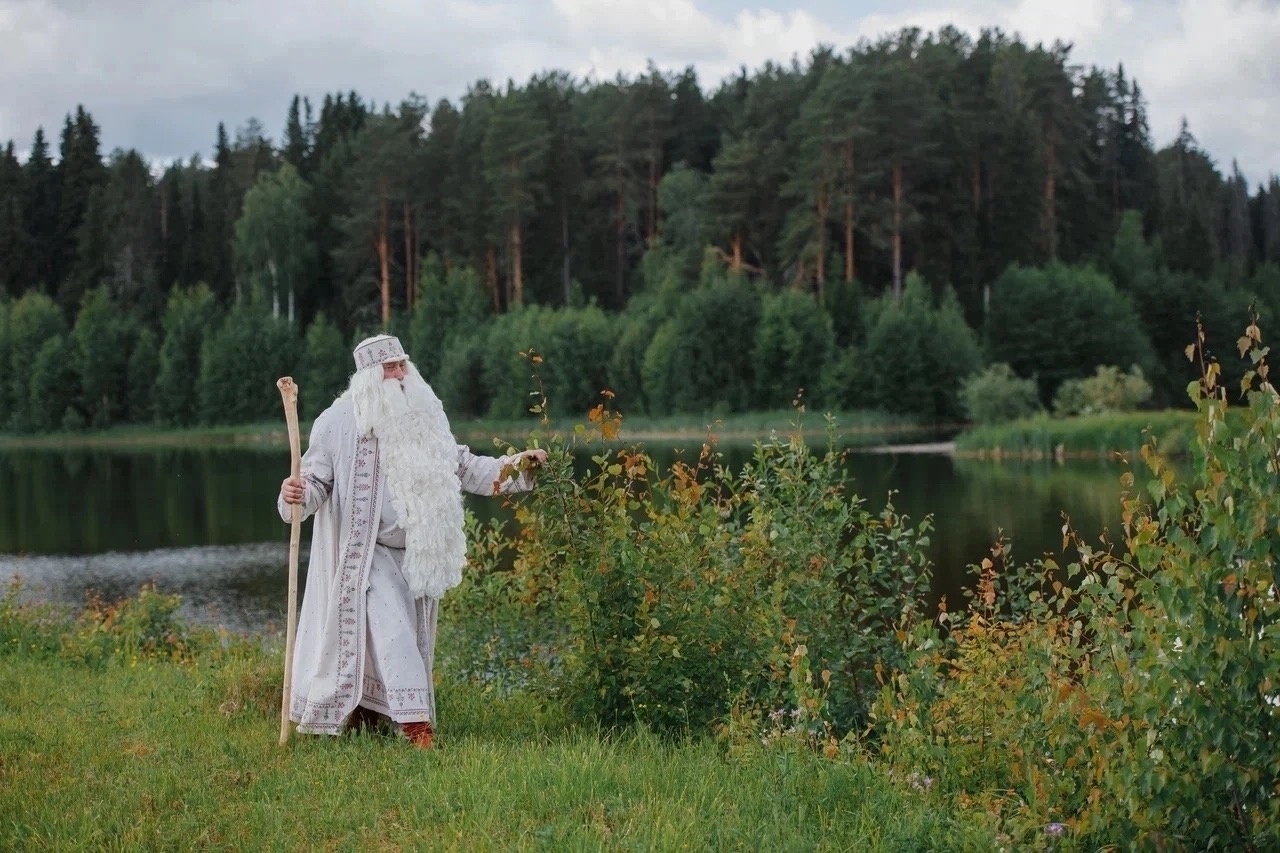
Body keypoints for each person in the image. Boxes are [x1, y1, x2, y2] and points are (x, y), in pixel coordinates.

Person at [277, 333, 546, 748]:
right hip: (367, 554)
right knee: (394, 636)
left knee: (390, 641)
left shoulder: (426, 416)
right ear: (369, 376)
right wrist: (295, 494)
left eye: (403, 364)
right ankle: (417, 729)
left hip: (416, 556)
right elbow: (315, 483)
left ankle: (368, 716)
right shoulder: (338, 422)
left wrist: (517, 467)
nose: (401, 373)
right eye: (390, 367)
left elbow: (465, 467)